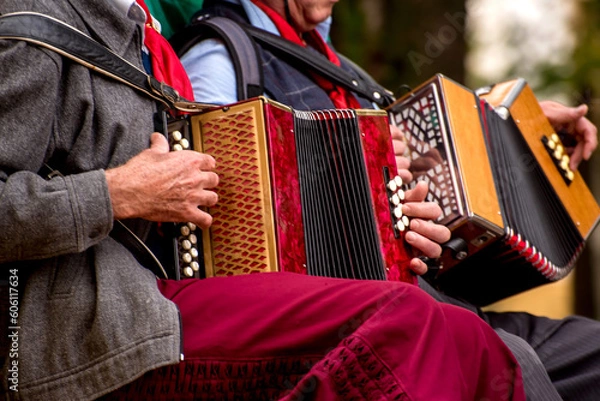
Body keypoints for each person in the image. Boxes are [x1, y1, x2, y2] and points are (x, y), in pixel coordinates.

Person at [0, 0, 530, 400]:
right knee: (411, 324)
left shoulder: (136, 30)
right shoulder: (33, 26)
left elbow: (210, 197)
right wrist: (119, 193)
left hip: (162, 294)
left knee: (468, 339)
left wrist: (384, 224)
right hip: (81, 329)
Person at [177, 0, 600, 400]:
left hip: (430, 301)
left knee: (592, 350)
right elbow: (223, 239)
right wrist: (356, 186)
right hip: (346, 328)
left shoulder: (343, 71)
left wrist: (521, 134)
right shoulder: (221, 57)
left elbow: (418, 168)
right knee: (512, 361)